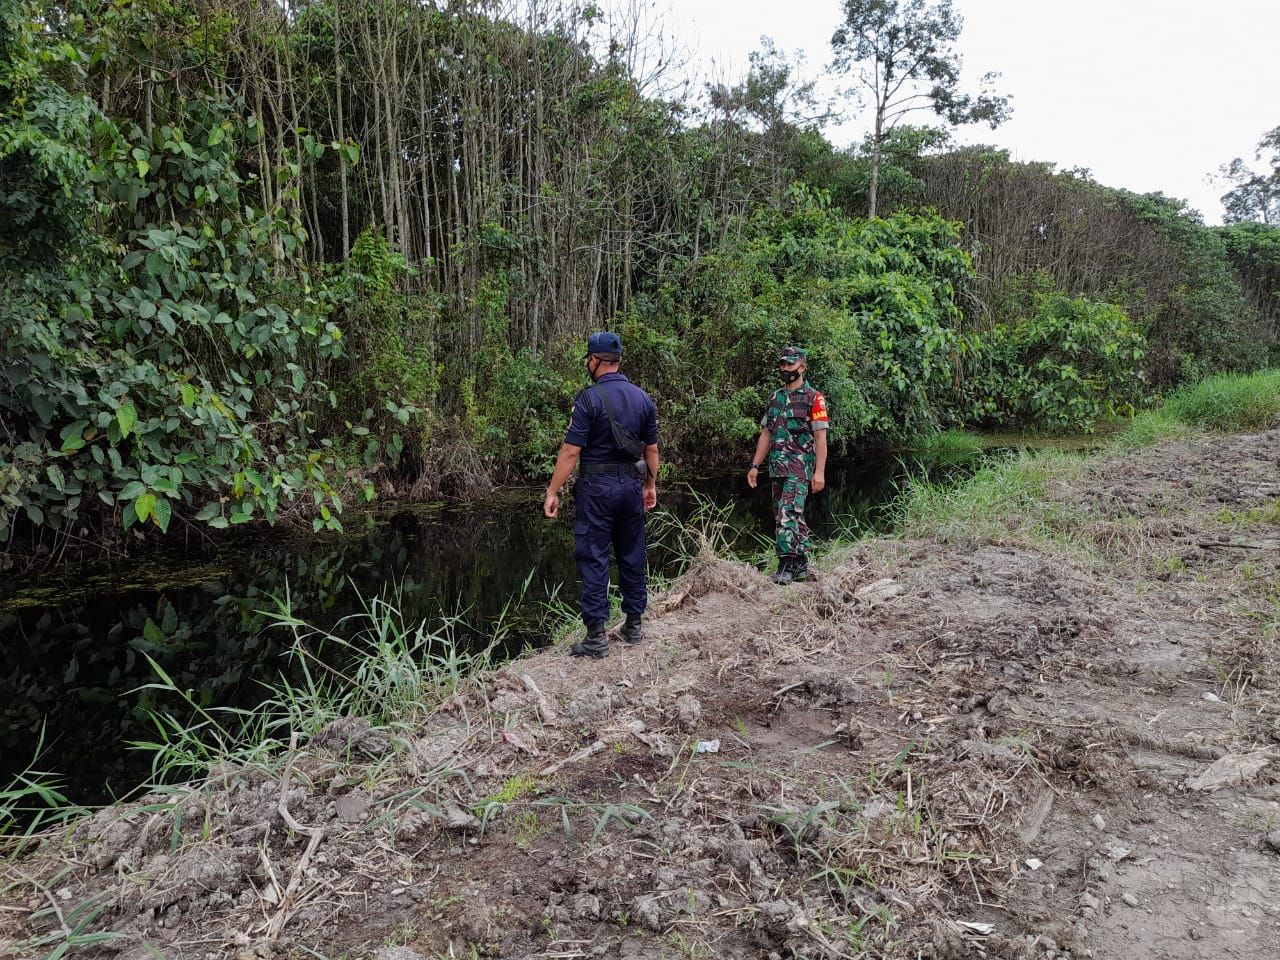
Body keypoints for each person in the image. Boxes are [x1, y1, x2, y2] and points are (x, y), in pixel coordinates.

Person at [544, 331, 659, 658]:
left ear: (595, 361)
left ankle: (596, 636)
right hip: (630, 488)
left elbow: (570, 452)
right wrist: (649, 486)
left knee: (594, 557)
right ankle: (634, 625)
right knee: (632, 554)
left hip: (596, 490)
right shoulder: (643, 399)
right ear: (618, 360)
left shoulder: (588, 399)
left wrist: (553, 491)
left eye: (588, 360)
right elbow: (651, 449)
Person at [746, 346, 828, 585]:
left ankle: (785, 564)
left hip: (799, 468)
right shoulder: (775, 398)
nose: (785, 369)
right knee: (788, 514)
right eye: (782, 364)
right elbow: (766, 433)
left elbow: (821, 439)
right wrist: (754, 465)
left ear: (802, 367)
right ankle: (801, 565)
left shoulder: (814, 398)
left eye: (789, 365)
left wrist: (819, 472)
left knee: (787, 514)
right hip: (776, 468)